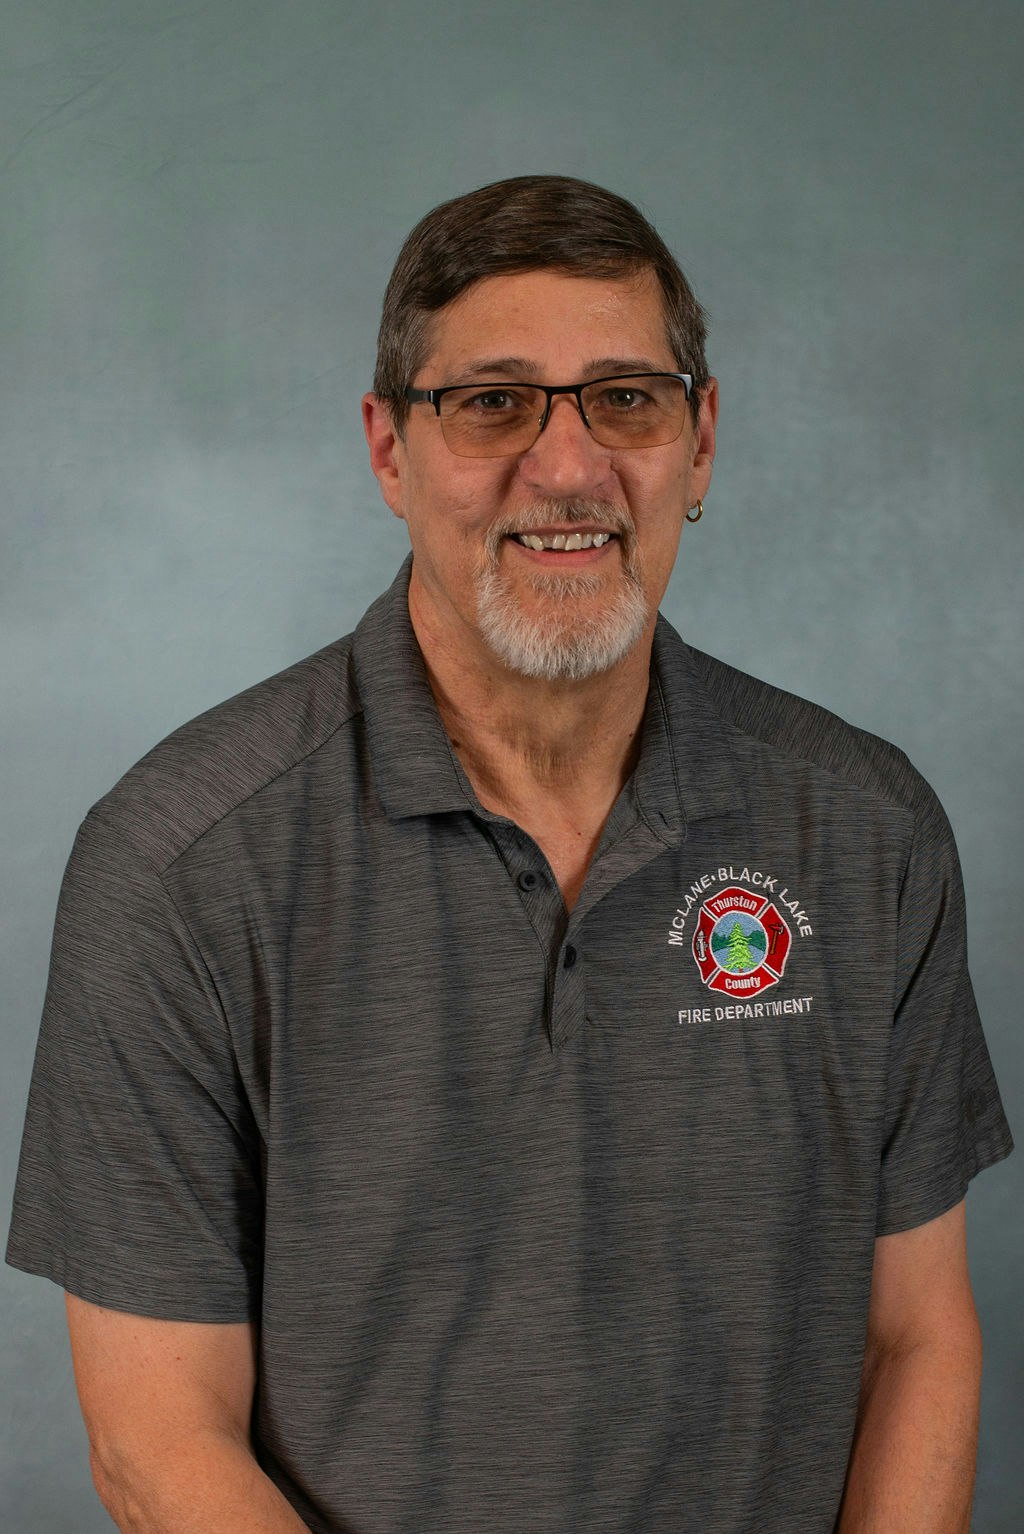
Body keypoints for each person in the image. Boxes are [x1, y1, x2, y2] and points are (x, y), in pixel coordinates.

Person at [6, 174, 1014, 1534]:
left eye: (626, 397)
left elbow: (917, 1342)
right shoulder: (180, 865)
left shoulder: (870, 830)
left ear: (700, 442)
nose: (566, 465)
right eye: (491, 402)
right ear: (386, 448)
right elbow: (155, 1438)